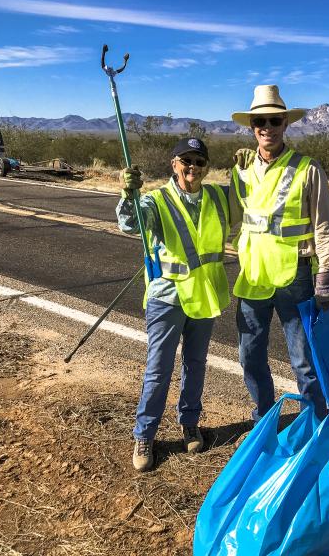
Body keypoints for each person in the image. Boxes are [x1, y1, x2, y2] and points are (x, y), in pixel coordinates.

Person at [117, 137, 231, 471]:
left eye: (199, 161)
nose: (192, 167)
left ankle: (190, 423)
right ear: (174, 164)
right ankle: (145, 435)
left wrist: (245, 168)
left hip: (204, 295)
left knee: (196, 364)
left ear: (205, 167)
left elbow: (250, 199)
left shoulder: (216, 196)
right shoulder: (155, 199)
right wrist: (129, 194)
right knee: (158, 370)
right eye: (186, 161)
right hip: (167, 298)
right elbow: (129, 224)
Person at [229, 84, 329, 423]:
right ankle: (264, 418)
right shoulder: (240, 172)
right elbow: (232, 220)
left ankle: (315, 423)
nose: (267, 127)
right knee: (249, 355)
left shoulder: (308, 169)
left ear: (285, 125)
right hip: (253, 277)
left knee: (304, 362)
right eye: (260, 121)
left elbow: (324, 225)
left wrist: (326, 277)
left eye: (274, 121)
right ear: (252, 127)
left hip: (296, 276)